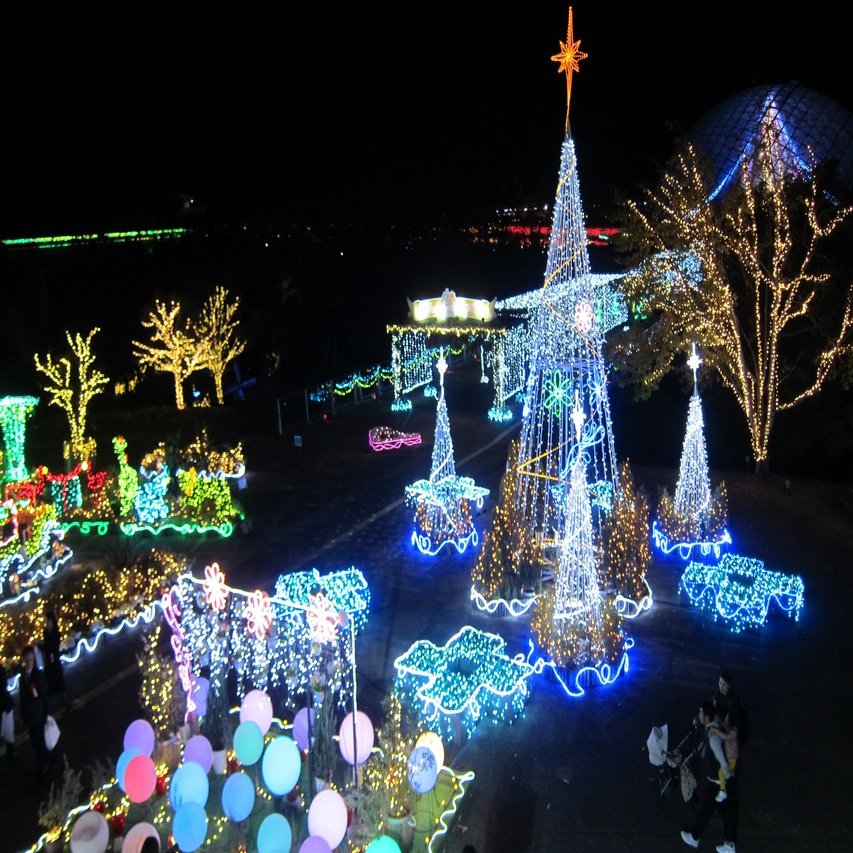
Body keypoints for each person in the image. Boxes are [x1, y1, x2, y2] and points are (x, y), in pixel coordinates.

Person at [680, 700, 737, 853]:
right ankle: (729, 844)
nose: (698, 714)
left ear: (706, 717)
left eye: (700, 713)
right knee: (727, 812)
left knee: (706, 810)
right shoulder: (713, 724)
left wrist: (727, 776)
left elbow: (721, 759)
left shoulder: (713, 738)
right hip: (721, 782)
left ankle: (694, 837)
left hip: (718, 782)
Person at [19, 645, 51, 785]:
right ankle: (45, 762)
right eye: (27, 660)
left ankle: (43, 765)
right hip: (30, 715)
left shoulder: (38, 675)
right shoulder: (22, 676)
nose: (29, 662)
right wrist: (23, 716)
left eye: (31, 660)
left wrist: (46, 714)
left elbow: (44, 696)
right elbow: (22, 698)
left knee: (39, 742)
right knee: (35, 742)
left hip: (38, 713)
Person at [42, 610, 71, 712]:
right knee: (48, 683)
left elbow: (53, 647)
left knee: (59, 683)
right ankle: (48, 707)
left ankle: (66, 703)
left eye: (48, 621)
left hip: (54, 660)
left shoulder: (55, 633)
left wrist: (43, 646)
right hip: (49, 661)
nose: (46, 623)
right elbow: (46, 646)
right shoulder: (46, 632)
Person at [1, 661, 15, 765]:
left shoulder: (1, 671)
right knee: (8, 732)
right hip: (5, 705)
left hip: (4, 706)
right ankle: (11, 755)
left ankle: (11, 755)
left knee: (8, 732)